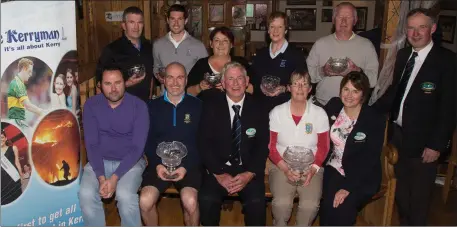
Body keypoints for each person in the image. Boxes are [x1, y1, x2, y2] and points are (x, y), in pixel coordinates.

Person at [373, 8, 455, 225]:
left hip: (424, 145)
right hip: (398, 138)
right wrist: (367, 111)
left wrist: (436, 145)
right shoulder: (403, 56)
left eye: (422, 27)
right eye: (411, 28)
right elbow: (394, 92)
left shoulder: (447, 61)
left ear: (433, 29)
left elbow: (449, 108)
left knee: (419, 200)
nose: (415, 33)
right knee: (401, 196)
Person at [197, 62, 269, 226]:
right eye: (230, 79)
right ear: (223, 83)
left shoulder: (259, 107)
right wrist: (218, 173)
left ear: (247, 81)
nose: (235, 83)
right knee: (207, 200)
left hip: (247, 169)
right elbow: (203, 142)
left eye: (239, 78)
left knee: (257, 203)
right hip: (218, 169)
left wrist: (249, 174)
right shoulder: (210, 106)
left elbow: (262, 144)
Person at [78, 64, 149, 226]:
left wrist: (115, 178)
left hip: (131, 162)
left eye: (118, 82)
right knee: (86, 193)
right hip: (99, 161)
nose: (114, 88)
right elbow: (92, 145)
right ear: (100, 86)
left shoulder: (139, 106)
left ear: (125, 83)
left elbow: (137, 147)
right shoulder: (91, 105)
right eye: (108, 84)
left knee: (125, 195)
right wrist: (102, 178)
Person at [140, 62, 202, 226]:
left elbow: (202, 142)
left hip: (189, 165)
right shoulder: (151, 107)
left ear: (186, 80)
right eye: (170, 77)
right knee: (145, 201)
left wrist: (185, 166)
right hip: (159, 164)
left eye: (180, 77)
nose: (175, 82)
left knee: (190, 202)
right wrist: (157, 164)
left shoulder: (198, 106)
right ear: (163, 80)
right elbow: (147, 140)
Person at [320, 71, 385, 226]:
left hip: (362, 174)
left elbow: (370, 158)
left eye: (355, 91)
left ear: (363, 94)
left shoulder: (373, 118)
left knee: (344, 207)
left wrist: (347, 187)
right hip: (335, 167)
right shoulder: (334, 106)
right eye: (346, 89)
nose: (349, 95)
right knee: (328, 205)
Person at [268, 70, 330, 226]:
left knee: (310, 205)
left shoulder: (319, 114)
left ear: (310, 89)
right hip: (282, 165)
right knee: (281, 204)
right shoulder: (277, 112)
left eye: (304, 84)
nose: (300, 88)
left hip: (312, 166)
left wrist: (314, 168)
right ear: (289, 88)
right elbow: (271, 146)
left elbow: (324, 146)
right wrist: (285, 169)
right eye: (295, 84)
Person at [306, 2, 378, 106]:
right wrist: (323, 71)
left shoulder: (367, 45)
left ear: (355, 21)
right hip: (322, 105)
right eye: (340, 17)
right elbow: (308, 76)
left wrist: (358, 71)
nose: (343, 21)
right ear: (333, 19)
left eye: (348, 17)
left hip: (354, 108)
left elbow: (374, 80)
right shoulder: (320, 44)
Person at [251, 11, 306, 113]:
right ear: (268, 30)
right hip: (261, 109)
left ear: (286, 30)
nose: (275, 30)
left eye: (280, 27)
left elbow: (303, 85)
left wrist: (284, 89)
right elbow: (253, 82)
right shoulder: (260, 55)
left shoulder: (296, 55)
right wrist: (259, 87)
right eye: (272, 26)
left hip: (286, 111)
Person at [96, 6, 154, 101]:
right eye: (131, 22)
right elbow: (100, 84)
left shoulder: (149, 47)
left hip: (144, 105)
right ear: (123, 25)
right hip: (120, 106)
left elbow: (150, 77)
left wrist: (150, 100)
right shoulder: (111, 50)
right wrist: (126, 84)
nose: (136, 27)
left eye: (139, 22)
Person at [187, 26, 253, 100]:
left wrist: (231, 87)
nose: (221, 44)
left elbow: (253, 90)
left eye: (225, 40)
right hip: (207, 109)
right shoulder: (201, 64)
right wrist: (199, 87)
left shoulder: (241, 63)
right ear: (211, 44)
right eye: (217, 40)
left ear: (231, 44)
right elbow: (187, 92)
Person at [153, 4, 208, 90]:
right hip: (167, 97)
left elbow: (206, 73)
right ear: (167, 20)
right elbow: (156, 67)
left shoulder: (198, 46)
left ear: (185, 21)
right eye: (172, 19)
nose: (176, 23)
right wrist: (158, 76)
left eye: (180, 19)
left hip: (191, 97)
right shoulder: (157, 45)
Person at [7, 58, 43, 128]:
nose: (31, 74)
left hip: (20, 124)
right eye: (29, 71)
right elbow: (28, 106)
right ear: (24, 69)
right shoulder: (17, 84)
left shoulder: (18, 83)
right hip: (17, 125)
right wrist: (43, 112)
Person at [1, 128, 23, 205]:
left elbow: (17, 162)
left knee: (17, 200)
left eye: (2, 137)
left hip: (13, 178)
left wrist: (21, 175)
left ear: (6, 138)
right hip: (2, 181)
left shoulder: (13, 148)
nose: (1, 140)